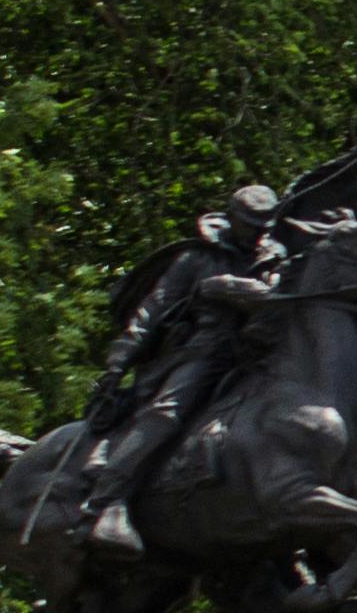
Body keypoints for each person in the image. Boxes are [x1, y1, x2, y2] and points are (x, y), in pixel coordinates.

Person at [44, 184, 288, 561]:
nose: (259, 233)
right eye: (251, 224)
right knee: (166, 412)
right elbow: (152, 310)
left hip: (261, 355)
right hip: (205, 353)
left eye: (265, 225)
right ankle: (104, 504)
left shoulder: (275, 256)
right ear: (233, 219)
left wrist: (261, 293)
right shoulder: (195, 259)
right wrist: (119, 361)